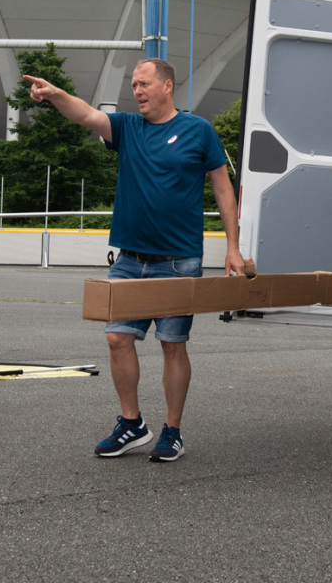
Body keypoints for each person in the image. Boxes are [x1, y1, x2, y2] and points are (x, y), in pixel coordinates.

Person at [25, 58, 245, 461]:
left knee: (172, 346)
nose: (137, 91)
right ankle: (132, 423)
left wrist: (232, 246)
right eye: (134, 85)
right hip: (129, 259)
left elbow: (223, 188)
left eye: (144, 84)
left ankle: (173, 431)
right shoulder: (128, 128)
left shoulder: (198, 131)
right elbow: (86, 114)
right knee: (116, 338)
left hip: (179, 261)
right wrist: (55, 94)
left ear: (167, 86)